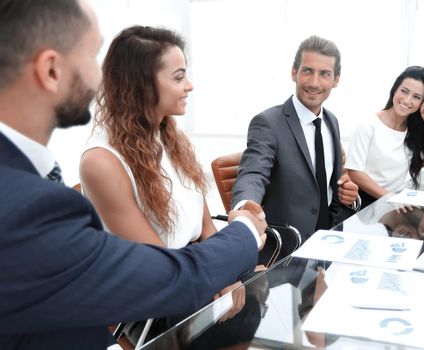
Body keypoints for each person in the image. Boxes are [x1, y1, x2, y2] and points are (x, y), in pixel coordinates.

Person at [0, 1, 266, 349]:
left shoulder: (174, 141)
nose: (99, 78)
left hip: (187, 284)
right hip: (165, 305)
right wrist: (244, 231)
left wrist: (227, 273)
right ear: (51, 70)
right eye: (93, 55)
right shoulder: (38, 198)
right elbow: (163, 277)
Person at [79, 26, 246, 335]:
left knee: (261, 296)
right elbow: (163, 270)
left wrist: (228, 277)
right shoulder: (101, 162)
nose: (190, 86)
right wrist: (221, 271)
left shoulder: (173, 138)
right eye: (179, 77)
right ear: (141, 84)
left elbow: (206, 227)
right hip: (153, 305)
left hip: (194, 274)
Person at [231, 35, 360, 242]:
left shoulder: (331, 121)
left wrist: (348, 196)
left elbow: (327, 186)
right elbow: (253, 173)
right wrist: (245, 206)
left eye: (324, 74)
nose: (314, 82)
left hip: (330, 237)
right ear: (294, 72)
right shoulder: (268, 123)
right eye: (307, 71)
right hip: (287, 245)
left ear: (336, 80)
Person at [345, 66, 424, 209]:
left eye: (416, 97)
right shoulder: (367, 125)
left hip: (394, 206)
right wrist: (390, 197)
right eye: (404, 91)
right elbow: (354, 172)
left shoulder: (413, 132)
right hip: (366, 206)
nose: (407, 100)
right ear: (395, 89)